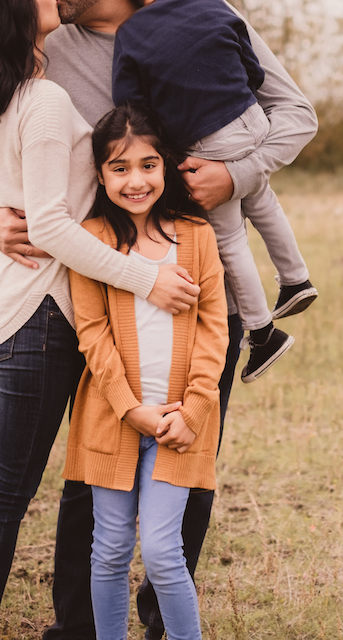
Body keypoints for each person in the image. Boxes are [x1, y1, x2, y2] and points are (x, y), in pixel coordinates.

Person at [0, 0, 317, 640]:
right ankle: (77, 629)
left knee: (186, 459)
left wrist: (237, 177)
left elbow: (295, 113)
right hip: (100, 283)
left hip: (205, 276)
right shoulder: (50, 48)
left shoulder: (201, 8)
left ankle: (164, 624)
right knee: (95, 464)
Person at [0, 0, 200, 640]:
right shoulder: (40, 102)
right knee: (6, 491)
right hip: (42, 317)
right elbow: (47, 224)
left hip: (9, 311)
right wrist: (147, 278)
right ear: (9, 14)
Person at [113, 0, 318, 384]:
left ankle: (263, 332)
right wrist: (239, 93)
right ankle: (296, 279)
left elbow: (131, 108)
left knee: (230, 241)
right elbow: (253, 66)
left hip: (206, 144)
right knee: (263, 201)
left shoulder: (130, 34)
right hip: (251, 119)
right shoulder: (217, 6)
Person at [65, 103, 227, 640]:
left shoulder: (197, 235)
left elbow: (213, 327)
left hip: (181, 423)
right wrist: (131, 408)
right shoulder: (88, 240)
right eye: (119, 167)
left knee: (161, 551)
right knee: (109, 549)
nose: (136, 179)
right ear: (99, 173)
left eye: (148, 164)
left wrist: (199, 407)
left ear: (166, 165)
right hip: (115, 418)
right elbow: (93, 335)